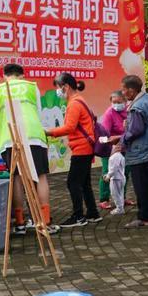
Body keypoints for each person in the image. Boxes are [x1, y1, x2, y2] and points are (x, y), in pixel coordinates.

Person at [0, 63, 56, 234]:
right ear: (22, 75)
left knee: (16, 177)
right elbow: (38, 111)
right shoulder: (31, 86)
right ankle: (45, 221)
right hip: (34, 136)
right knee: (41, 176)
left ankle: (20, 222)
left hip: (10, 138)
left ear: (5, 76)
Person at [45, 73, 101, 228]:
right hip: (85, 146)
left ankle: (78, 216)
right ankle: (92, 213)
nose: (57, 91)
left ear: (66, 86)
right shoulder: (79, 100)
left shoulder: (74, 103)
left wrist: (49, 132)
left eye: (58, 87)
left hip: (81, 148)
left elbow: (69, 127)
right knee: (84, 183)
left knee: (73, 182)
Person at [117, 75, 148, 229]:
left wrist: (122, 140)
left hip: (140, 151)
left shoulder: (138, 106)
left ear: (131, 90)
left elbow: (136, 129)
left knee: (142, 187)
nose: (123, 92)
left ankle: (145, 218)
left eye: (124, 89)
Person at [98, 90, 129, 212]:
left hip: (126, 147)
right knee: (108, 172)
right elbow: (105, 134)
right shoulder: (109, 113)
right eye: (113, 102)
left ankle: (122, 197)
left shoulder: (128, 112)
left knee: (124, 173)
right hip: (110, 148)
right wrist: (114, 142)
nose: (116, 104)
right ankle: (104, 199)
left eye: (119, 102)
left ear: (125, 101)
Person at [103, 147, 126, 217]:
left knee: (115, 194)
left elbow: (114, 169)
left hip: (116, 178)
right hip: (121, 177)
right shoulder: (120, 155)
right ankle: (121, 207)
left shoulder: (114, 157)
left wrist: (108, 176)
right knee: (120, 193)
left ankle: (119, 208)